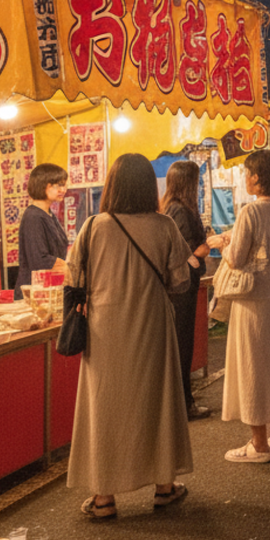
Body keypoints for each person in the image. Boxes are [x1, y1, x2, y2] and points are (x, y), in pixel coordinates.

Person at [66, 153, 192, 518]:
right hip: (153, 325)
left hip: (104, 329)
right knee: (158, 402)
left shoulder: (93, 227)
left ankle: (103, 497)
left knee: (104, 406)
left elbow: (73, 280)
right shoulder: (164, 225)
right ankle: (164, 487)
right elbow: (181, 281)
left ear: (112, 185)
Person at [207, 150, 270, 463]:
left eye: (247, 173)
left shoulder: (251, 212)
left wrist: (223, 243)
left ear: (257, 177)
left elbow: (237, 259)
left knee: (254, 367)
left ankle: (259, 444)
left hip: (256, 301)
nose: (245, 178)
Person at [160, 160, 212, 420]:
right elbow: (185, 252)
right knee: (182, 344)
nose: (199, 184)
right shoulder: (180, 210)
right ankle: (184, 404)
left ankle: (181, 402)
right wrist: (205, 248)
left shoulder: (171, 207)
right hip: (182, 287)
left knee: (180, 344)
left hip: (179, 286)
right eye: (196, 180)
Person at [14, 163, 70, 302]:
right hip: (34, 294)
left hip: (49, 290)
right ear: (42, 184)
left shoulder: (49, 214)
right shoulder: (33, 216)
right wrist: (66, 267)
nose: (63, 190)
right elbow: (39, 259)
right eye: (58, 185)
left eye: (64, 185)